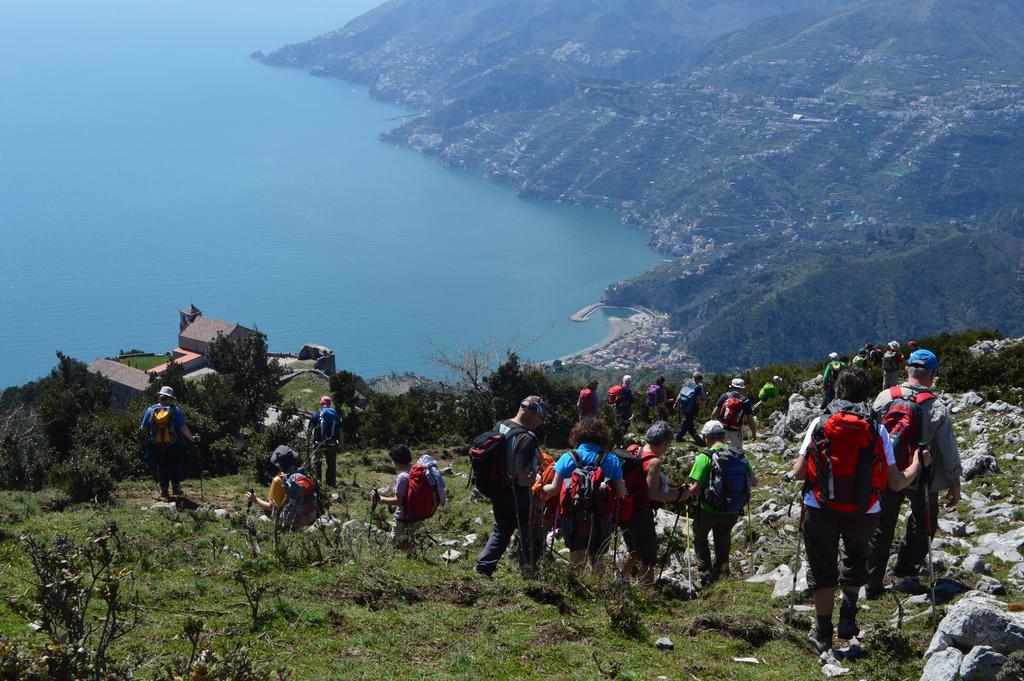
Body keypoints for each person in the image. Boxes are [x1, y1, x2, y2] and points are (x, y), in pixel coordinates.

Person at [790, 366, 928, 652]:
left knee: (823, 569)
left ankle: (823, 631)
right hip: (865, 510)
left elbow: (799, 472)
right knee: (855, 560)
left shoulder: (820, 423)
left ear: (838, 391)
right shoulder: (878, 430)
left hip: (820, 507)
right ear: (867, 395)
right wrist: (918, 463)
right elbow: (896, 482)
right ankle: (848, 621)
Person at [865, 349, 962, 599]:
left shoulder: (885, 397)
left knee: (881, 527)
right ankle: (905, 569)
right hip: (922, 473)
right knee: (924, 522)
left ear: (907, 369)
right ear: (932, 375)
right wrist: (954, 482)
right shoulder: (935, 405)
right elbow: (948, 448)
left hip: (888, 471)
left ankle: (872, 582)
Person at [543, 417, 627, 572]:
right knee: (598, 556)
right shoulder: (611, 459)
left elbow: (554, 489)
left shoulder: (568, 458)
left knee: (576, 555)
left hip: (573, 514)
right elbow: (621, 492)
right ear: (602, 437)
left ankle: (575, 588)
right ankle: (598, 589)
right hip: (601, 515)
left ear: (577, 435)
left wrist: (540, 486)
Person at [475, 396, 546, 577]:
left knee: (502, 529)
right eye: (541, 418)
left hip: (497, 488)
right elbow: (522, 477)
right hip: (517, 494)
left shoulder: (501, 425)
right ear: (532, 416)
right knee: (529, 533)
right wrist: (537, 477)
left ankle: (484, 567)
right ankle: (529, 572)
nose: (540, 423)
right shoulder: (526, 439)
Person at [622, 421, 688, 583]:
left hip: (624, 508)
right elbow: (653, 494)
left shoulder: (634, 450)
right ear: (664, 443)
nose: (667, 450)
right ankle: (647, 593)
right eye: (668, 446)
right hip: (640, 513)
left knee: (635, 549)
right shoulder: (654, 462)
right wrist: (678, 496)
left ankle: (620, 579)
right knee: (649, 557)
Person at [140, 386, 200, 499]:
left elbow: (143, 428)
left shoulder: (150, 410)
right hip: (173, 444)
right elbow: (183, 428)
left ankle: (164, 490)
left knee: (161, 466)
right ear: (171, 399)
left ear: (159, 397)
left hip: (156, 445)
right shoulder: (175, 410)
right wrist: (193, 439)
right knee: (175, 465)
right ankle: (176, 488)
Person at [245, 445, 318, 529]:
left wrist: (255, 500)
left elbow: (272, 507)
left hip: (289, 521)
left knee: (263, 518)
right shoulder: (302, 473)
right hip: (308, 515)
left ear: (278, 465)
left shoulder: (278, 480)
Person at [372, 445, 426, 554]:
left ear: (396, 460)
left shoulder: (402, 477)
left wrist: (379, 498)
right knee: (411, 540)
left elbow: (398, 501)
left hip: (404, 517)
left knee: (396, 545)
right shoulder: (416, 471)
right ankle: (412, 558)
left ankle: (404, 562)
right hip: (418, 515)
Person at [712, 378, 757, 452]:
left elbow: (714, 413)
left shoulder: (724, 396)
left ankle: (718, 462)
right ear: (742, 388)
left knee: (718, 450)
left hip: (722, 428)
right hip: (736, 429)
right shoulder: (745, 400)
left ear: (732, 387)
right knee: (737, 452)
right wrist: (754, 433)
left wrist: (712, 426)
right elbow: (750, 419)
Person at [307, 395, 343, 487]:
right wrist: (341, 445)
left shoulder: (315, 414)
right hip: (332, 444)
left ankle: (317, 482)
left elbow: (310, 430)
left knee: (317, 464)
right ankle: (331, 484)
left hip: (319, 444)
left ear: (321, 404)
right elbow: (340, 431)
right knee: (331, 465)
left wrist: (308, 443)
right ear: (330, 404)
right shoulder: (335, 415)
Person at [675, 371, 706, 446]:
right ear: (700, 379)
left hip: (684, 405)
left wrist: (676, 402)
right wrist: (702, 403)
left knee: (688, 422)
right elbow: (698, 399)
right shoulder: (698, 387)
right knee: (689, 424)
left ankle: (679, 437)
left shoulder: (687, 383)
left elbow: (681, 393)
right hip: (692, 408)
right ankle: (700, 442)